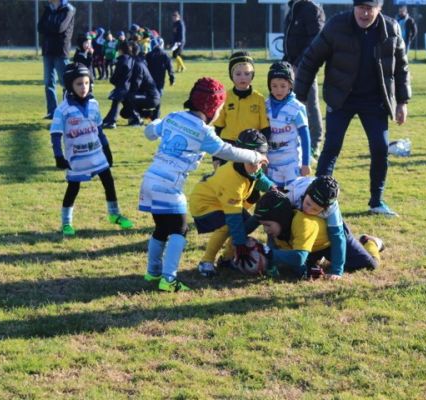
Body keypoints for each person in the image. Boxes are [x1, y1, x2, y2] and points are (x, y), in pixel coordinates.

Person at [138, 77, 268, 292]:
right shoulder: (203, 131)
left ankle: (152, 272)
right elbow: (228, 151)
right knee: (180, 230)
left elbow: (149, 133)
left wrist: (160, 121)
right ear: (213, 108)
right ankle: (168, 279)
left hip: (150, 179)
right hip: (169, 185)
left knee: (161, 228)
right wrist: (254, 155)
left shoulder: (174, 117)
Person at [295, 0, 411, 217]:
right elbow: (311, 59)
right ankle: (315, 199)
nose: (365, 13)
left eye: (370, 8)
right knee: (331, 148)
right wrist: (299, 96)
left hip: (374, 101)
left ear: (379, 9)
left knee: (380, 149)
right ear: (354, 7)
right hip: (341, 98)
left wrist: (403, 102)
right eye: (361, 7)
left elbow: (402, 67)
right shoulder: (336, 26)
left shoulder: (392, 28)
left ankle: (376, 201)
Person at [50, 63, 133, 236]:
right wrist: (58, 155)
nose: (84, 88)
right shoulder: (63, 110)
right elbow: (56, 134)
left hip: (96, 154)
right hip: (77, 158)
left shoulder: (94, 104)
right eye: (79, 84)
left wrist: (107, 149)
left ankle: (114, 215)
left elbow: (99, 130)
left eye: (86, 83)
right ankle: (66, 223)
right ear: (70, 85)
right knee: (73, 188)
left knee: (108, 181)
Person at [190, 130, 275, 277]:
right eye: (253, 161)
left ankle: (227, 259)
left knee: (246, 224)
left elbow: (259, 177)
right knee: (227, 226)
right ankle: (206, 262)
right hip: (204, 203)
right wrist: (240, 244)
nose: (257, 166)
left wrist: (273, 189)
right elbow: (233, 218)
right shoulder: (231, 180)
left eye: (260, 161)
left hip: (221, 200)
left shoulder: (252, 167)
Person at [253, 190, 380, 280]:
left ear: (281, 219)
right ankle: (318, 259)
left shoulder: (302, 222)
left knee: (371, 265)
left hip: (331, 242)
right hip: (313, 246)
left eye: (268, 225)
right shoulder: (278, 225)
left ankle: (370, 242)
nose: (265, 229)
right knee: (300, 272)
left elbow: (298, 257)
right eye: (263, 225)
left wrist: (266, 252)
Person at [282, 175, 383, 279]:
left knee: (371, 265)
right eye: (307, 203)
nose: (308, 210)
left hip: (328, 240)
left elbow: (337, 237)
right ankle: (316, 256)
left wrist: (337, 270)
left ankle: (370, 242)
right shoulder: (294, 192)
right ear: (307, 191)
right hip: (311, 237)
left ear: (325, 208)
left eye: (315, 210)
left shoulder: (332, 207)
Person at [213, 51, 271, 168]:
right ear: (231, 75)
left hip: (251, 147)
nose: (242, 77)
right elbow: (218, 129)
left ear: (253, 74)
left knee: (248, 182)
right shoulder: (225, 97)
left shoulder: (259, 99)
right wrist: (216, 156)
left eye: (247, 73)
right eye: (238, 74)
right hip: (228, 146)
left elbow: (265, 129)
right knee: (227, 181)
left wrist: (263, 152)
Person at [283, 0, 325, 158]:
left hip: (305, 66)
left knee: (309, 104)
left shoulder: (312, 9)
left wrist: (300, 63)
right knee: (288, 103)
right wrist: (287, 61)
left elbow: (316, 40)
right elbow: (290, 40)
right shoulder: (293, 7)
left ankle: (315, 144)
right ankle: (292, 141)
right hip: (290, 65)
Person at [265, 61, 311, 188]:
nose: (278, 90)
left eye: (283, 86)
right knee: (275, 195)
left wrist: (306, 163)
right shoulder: (265, 105)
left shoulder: (296, 107)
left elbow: (305, 136)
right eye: (274, 86)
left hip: (292, 161)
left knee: (293, 194)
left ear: (290, 85)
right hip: (272, 161)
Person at [37, 0, 76, 119]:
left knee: (66, 83)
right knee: (49, 83)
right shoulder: (49, 9)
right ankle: (52, 112)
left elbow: (60, 27)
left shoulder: (69, 9)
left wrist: (48, 26)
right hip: (47, 50)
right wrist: (50, 26)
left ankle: (67, 110)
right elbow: (40, 27)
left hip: (60, 51)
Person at [122, 42, 161, 125]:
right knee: (124, 111)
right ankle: (150, 115)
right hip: (150, 96)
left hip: (151, 97)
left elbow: (137, 83)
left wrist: (128, 92)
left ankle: (136, 119)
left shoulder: (137, 64)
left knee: (128, 98)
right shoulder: (139, 62)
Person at [102, 40, 135, 129]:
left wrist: (112, 80)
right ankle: (135, 118)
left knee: (116, 103)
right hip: (128, 85)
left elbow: (117, 75)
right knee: (126, 104)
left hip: (122, 85)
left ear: (121, 49)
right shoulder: (131, 59)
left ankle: (111, 121)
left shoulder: (122, 60)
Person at [145, 37, 175, 120]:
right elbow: (170, 68)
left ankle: (148, 114)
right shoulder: (165, 55)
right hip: (160, 80)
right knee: (158, 96)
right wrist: (172, 78)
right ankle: (156, 114)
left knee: (149, 96)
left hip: (149, 80)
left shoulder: (149, 55)